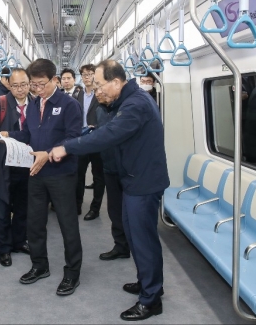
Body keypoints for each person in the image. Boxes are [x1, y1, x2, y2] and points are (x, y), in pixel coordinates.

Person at [50, 59, 169, 321]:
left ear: (116, 82)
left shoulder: (135, 104)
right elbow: (108, 129)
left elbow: (109, 134)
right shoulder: (127, 101)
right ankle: (148, 283)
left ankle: (151, 300)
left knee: (144, 240)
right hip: (134, 179)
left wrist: (67, 147)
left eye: (101, 84)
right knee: (137, 237)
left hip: (143, 182)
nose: (98, 90)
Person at [3, 58, 83, 296]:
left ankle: (72, 273)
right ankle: (39, 265)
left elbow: (73, 139)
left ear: (55, 80)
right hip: (36, 173)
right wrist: (10, 136)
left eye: (40, 84)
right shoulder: (33, 104)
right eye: (33, 85)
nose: (36, 89)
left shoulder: (69, 105)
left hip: (61, 174)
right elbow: (29, 133)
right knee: (35, 223)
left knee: (67, 224)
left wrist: (47, 154)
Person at [0, 68, 31, 267]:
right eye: (16, 85)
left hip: (27, 165)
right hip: (3, 166)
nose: (20, 89)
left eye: (24, 85)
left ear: (29, 84)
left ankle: (19, 242)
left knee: (23, 208)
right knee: (1, 210)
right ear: (9, 86)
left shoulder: (36, 105)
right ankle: (4, 249)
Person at [93, 88, 131, 262]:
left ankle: (136, 246)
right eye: (95, 90)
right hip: (109, 166)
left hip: (129, 169)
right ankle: (121, 246)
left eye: (101, 88)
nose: (98, 93)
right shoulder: (100, 110)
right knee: (114, 210)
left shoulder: (127, 107)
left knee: (133, 211)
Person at [73, 64, 105, 220]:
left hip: (98, 138)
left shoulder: (102, 93)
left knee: (98, 176)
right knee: (78, 175)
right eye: (84, 75)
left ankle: (95, 208)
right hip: (82, 139)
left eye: (90, 74)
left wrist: (97, 126)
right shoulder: (77, 94)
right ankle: (77, 205)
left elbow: (107, 116)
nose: (87, 77)